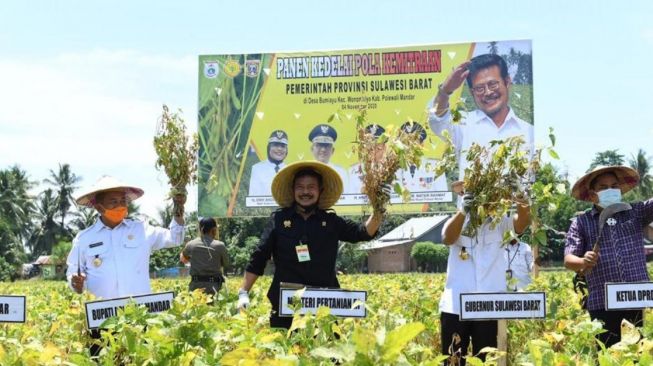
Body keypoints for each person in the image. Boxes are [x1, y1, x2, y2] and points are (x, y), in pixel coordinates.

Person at [236, 160, 385, 329]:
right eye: (300, 187)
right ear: (293, 190)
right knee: (284, 352)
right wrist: (243, 292)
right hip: (286, 305)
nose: (305, 191)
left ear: (320, 191)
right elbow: (259, 256)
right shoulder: (278, 220)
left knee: (327, 353)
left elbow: (363, 232)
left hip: (324, 305)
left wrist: (379, 207)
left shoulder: (331, 222)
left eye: (311, 187)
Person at [65, 175, 185, 356]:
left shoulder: (141, 230)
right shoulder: (84, 238)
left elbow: (175, 238)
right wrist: (75, 283)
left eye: (123, 201)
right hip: (102, 319)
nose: (120, 206)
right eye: (113, 201)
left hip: (139, 316)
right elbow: (73, 271)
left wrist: (178, 209)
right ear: (99, 207)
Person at [439, 180, 530, 363]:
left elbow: (522, 224)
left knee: (487, 361)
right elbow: (447, 238)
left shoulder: (500, 223)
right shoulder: (457, 221)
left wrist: (521, 197)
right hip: (455, 306)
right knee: (452, 361)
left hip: (488, 307)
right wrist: (464, 211)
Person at [564, 165, 649, 347]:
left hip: (634, 298)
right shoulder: (581, 222)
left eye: (614, 185)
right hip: (602, 303)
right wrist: (583, 260)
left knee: (636, 354)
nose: (610, 190)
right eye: (603, 187)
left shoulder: (635, 212)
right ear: (593, 193)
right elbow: (569, 259)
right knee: (607, 355)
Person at [428, 53, 534, 182]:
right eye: (479, 88)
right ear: (472, 93)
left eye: (493, 84)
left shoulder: (529, 132)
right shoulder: (463, 124)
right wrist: (445, 91)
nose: (488, 92)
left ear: (507, 82)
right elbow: (437, 121)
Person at [180, 217, 228, 297]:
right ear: (214, 230)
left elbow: (183, 259)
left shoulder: (191, 244)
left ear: (200, 229)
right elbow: (226, 264)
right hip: (214, 287)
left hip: (195, 287)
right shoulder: (220, 245)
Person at [396, 121, 447, 193]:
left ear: (422, 145)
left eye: (414, 142)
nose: (409, 146)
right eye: (406, 142)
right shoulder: (391, 169)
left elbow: (443, 197)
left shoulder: (435, 167)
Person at [345, 123, 389, 194]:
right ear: (363, 148)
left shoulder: (392, 170)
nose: (373, 152)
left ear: (384, 148)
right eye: (370, 148)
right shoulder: (353, 171)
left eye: (378, 148)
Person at [248, 130, 289, 196]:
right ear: (268, 148)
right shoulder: (257, 169)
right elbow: (253, 197)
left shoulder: (290, 169)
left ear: (286, 150)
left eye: (283, 146)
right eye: (275, 145)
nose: (279, 149)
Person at [308, 123, 348, 188]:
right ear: (312, 149)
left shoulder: (341, 173)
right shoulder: (305, 170)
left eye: (327, 146)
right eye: (319, 145)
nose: (323, 149)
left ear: (333, 150)